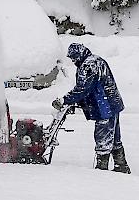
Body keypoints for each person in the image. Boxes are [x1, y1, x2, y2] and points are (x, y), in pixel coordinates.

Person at [52, 43, 130, 173]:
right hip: (112, 104)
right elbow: (91, 86)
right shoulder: (95, 60)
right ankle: (121, 166)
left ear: (79, 55)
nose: (73, 61)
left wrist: (64, 100)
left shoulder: (89, 65)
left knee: (103, 137)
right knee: (115, 138)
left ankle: (101, 169)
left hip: (104, 107)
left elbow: (83, 89)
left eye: (74, 58)